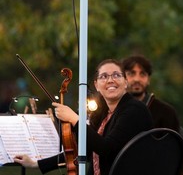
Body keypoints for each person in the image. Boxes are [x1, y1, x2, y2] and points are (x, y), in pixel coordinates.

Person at [14, 58, 153, 175]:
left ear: (126, 82)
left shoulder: (134, 110)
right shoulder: (102, 113)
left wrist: (75, 119)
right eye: (104, 76)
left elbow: (107, 149)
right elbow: (81, 151)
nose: (110, 80)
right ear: (96, 85)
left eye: (116, 75)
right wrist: (36, 164)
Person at [122, 55, 180, 133]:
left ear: (148, 79)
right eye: (131, 74)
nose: (137, 79)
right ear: (122, 78)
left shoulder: (166, 113)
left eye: (142, 74)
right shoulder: (112, 109)